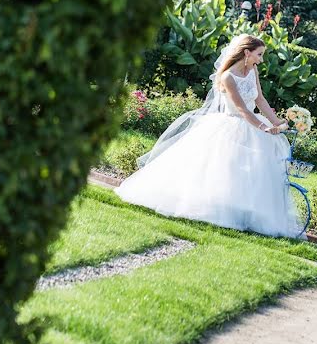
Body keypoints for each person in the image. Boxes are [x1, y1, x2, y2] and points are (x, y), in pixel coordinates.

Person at [115, 34, 305, 238]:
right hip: (232, 124)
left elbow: (259, 100)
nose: (261, 59)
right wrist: (263, 127)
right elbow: (242, 109)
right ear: (246, 52)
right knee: (223, 170)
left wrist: (276, 122)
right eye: (259, 55)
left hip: (253, 124)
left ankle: (244, 212)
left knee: (251, 172)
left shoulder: (253, 70)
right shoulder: (227, 77)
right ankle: (218, 209)